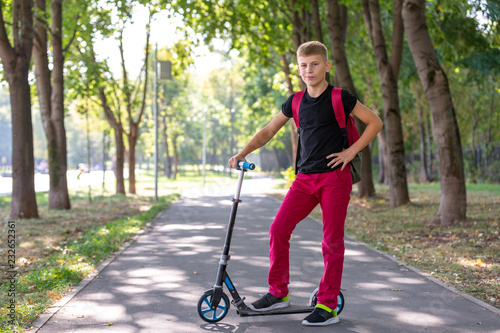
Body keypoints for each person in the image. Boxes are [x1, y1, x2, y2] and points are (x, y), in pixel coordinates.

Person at [228, 41, 383, 326]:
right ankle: (278, 292)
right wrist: (243, 152)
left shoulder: (341, 97)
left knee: (331, 242)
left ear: (326, 66)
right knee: (278, 228)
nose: (308, 70)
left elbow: (374, 122)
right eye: (303, 65)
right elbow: (268, 131)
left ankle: (327, 304)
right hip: (304, 178)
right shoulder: (295, 101)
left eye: (314, 64)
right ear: (298, 69)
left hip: (335, 178)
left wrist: (351, 151)